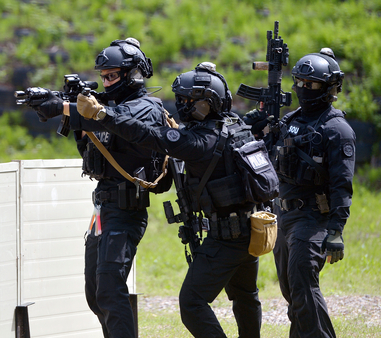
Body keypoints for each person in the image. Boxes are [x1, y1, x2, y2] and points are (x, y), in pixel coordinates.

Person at [77, 62, 266, 337]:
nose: (182, 105)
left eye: (188, 100)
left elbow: (148, 134)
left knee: (192, 302)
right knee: (245, 296)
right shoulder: (235, 127)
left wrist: (102, 114)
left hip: (227, 237)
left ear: (205, 104)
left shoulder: (199, 141)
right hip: (251, 231)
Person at [32, 38, 170, 338]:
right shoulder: (107, 109)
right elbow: (95, 154)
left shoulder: (146, 108)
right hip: (103, 211)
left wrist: (67, 108)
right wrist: (74, 117)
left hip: (126, 210)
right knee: (96, 292)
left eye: (112, 76)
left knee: (109, 289)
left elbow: (120, 122)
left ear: (133, 74)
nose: (106, 83)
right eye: (103, 76)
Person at [244, 48, 355, 337]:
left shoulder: (337, 129)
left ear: (329, 88)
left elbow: (342, 185)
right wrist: (258, 131)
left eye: (312, 84)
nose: (304, 89)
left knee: (303, 285)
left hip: (313, 217)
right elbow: (268, 157)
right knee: (293, 292)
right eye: (300, 82)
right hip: (284, 215)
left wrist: (336, 231)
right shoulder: (291, 119)